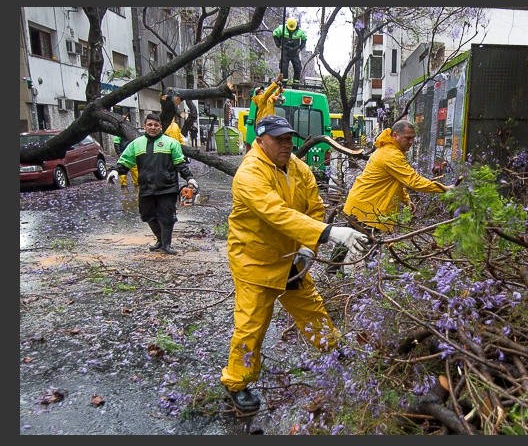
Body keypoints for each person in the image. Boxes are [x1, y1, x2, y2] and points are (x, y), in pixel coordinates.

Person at [220, 115, 368, 413]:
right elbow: (276, 213)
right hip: (255, 261)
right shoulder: (250, 173)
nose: (286, 145)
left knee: (310, 307)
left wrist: (307, 246)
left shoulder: (298, 168)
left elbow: (313, 207)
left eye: (288, 139)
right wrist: (328, 233)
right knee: (251, 324)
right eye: (279, 139)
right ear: (260, 141)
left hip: (291, 258)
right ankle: (237, 383)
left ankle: (333, 349)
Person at [327, 120, 453, 274]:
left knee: (349, 244)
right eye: (407, 138)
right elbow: (413, 181)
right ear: (395, 135)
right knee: (370, 248)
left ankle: (333, 273)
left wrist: (406, 200)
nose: (411, 142)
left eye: (413, 138)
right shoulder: (391, 154)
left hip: (360, 204)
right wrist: (444, 189)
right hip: (369, 208)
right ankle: (370, 279)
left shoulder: (389, 150)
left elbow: (396, 180)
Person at [107, 113, 198, 255]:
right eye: (150, 124)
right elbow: (125, 161)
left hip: (167, 187)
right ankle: (160, 240)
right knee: (147, 215)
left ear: (160, 126)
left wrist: (189, 178)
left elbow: (180, 163)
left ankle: (166, 245)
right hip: (146, 187)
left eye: (156, 125)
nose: (153, 127)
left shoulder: (171, 143)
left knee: (167, 217)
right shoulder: (136, 144)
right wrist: (115, 171)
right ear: (145, 126)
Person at [272, 17, 307, 86]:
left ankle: (296, 84)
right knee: (284, 67)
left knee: (297, 68)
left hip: (295, 53)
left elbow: (304, 39)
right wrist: (279, 45)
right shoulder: (281, 29)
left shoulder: (300, 31)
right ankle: (284, 83)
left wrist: (300, 48)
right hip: (285, 52)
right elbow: (274, 34)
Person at [113, 115, 138, 187]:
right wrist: (119, 153)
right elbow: (116, 143)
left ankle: (137, 182)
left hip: (132, 152)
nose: (127, 121)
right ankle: (123, 183)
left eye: (128, 120)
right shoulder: (119, 132)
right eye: (126, 120)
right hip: (123, 152)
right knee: (123, 167)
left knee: (134, 168)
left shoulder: (131, 130)